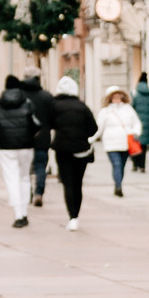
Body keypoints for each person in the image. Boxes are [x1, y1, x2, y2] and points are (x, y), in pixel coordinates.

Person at [41, 75, 99, 230]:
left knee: (68, 183)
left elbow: (48, 123)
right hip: (81, 149)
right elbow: (93, 128)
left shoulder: (54, 105)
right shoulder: (82, 107)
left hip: (62, 148)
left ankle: (71, 216)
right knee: (77, 183)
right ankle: (76, 215)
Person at [0, 74, 47, 224]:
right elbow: (36, 124)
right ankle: (23, 211)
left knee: (11, 178)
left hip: (6, 146)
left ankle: (18, 213)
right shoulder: (27, 102)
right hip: (26, 145)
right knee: (24, 177)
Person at [97, 86, 139, 196]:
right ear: (109, 98)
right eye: (114, 97)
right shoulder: (105, 111)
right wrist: (90, 139)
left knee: (122, 166)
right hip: (111, 143)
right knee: (116, 164)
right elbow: (99, 128)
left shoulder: (128, 109)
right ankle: (118, 186)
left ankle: (118, 183)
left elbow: (136, 123)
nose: (116, 99)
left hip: (125, 143)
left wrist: (136, 132)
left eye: (118, 96)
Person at [132, 72, 149, 169]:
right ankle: (142, 166)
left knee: (135, 143)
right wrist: (148, 117)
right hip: (147, 123)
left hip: (136, 124)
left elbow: (131, 109)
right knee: (143, 146)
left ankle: (135, 164)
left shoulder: (135, 96)